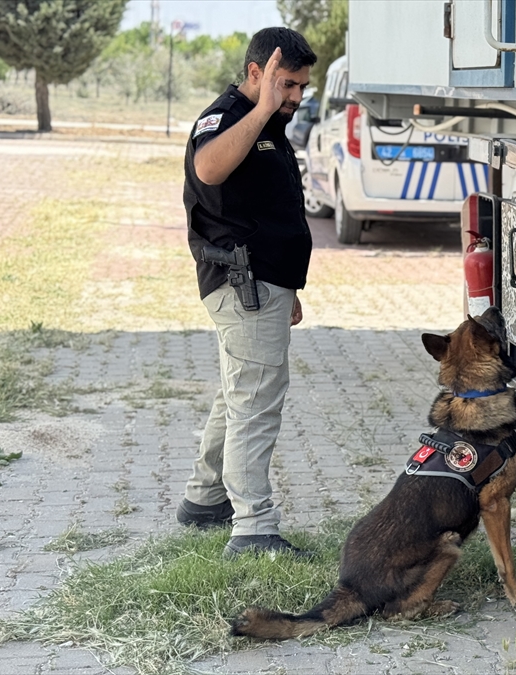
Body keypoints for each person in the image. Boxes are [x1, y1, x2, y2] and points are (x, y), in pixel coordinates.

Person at [175, 27, 317, 558]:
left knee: (239, 391)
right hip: (243, 283)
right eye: (287, 84)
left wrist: (288, 285)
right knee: (255, 402)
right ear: (256, 72)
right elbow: (208, 168)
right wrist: (262, 110)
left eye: (301, 87)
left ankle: (205, 498)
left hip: (263, 282)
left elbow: (266, 210)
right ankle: (253, 528)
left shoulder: (267, 121)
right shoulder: (230, 117)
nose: (295, 96)